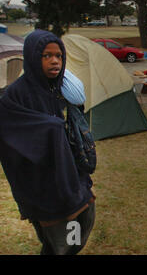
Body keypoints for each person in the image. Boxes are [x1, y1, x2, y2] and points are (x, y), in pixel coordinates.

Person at [0, 30, 96, 255]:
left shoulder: (57, 87)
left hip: (69, 176)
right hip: (40, 183)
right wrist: (49, 129)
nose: (55, 61)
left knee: (80, 225)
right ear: (33, 58)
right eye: (46, 56)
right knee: (59, 242)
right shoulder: (16, 95)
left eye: (59, 56)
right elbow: (9, 137)